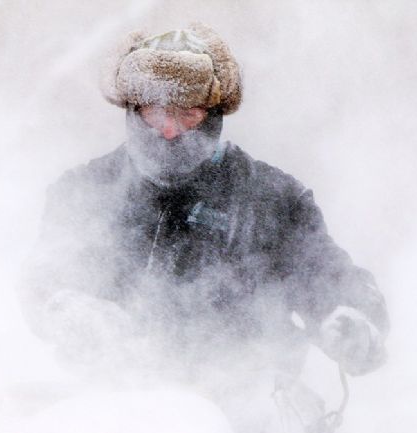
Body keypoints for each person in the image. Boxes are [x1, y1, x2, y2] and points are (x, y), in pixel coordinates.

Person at [20, 22, 389, 433]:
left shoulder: (273, 200)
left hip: (250, 409)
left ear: (215, 116)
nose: (169, 130)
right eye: (154, 110)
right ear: (131, 108)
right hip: (109, 404)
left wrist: (355, 323)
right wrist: (66, 307)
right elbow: (43, 281)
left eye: (188, 113)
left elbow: (328, 280)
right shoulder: (85, 191)